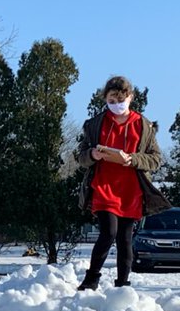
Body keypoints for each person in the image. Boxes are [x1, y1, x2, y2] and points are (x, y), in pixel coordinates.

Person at [73, 75, 170, 291]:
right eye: (112, 100)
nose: (117, 104)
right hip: (104, 186)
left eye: (121, 99)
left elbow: (155, 159)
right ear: (105, 99)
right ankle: (91, 279)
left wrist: (133, 159)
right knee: (108, 233)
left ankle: (123, 285)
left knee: (125, 239)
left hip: (131, 190)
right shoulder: (95, 125)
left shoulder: (144, 126)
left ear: (130, 98)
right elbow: (80, 156)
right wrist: (92, 154)